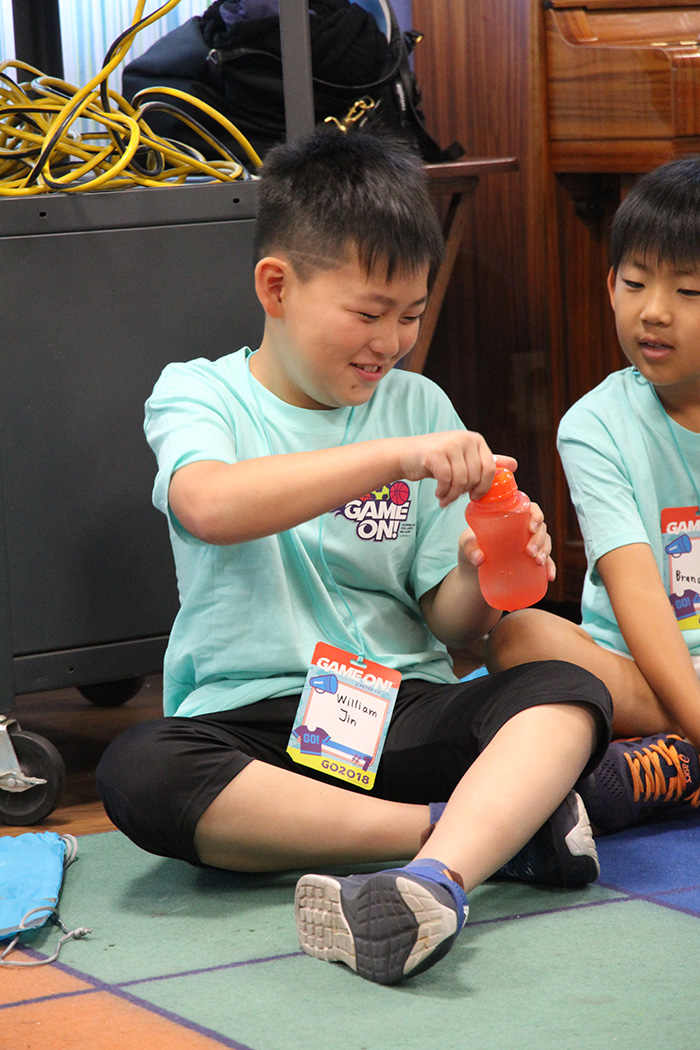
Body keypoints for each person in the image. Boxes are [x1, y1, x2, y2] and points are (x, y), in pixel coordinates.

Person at [96, 125, 612, 987]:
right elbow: (210, 505)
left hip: (399, 712)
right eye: (369, 314)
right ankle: (472, 834)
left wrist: (483, 572)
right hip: (256, 723)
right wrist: (393, 458)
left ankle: (436, 880)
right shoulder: (199, 391)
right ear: (277, 287)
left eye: (411, 315)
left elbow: (451, 624)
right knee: (139, 770)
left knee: (565, 688)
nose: (392, 341)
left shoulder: (419, 403)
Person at [486, 156, 700, 836]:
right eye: (635, 283)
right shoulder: (595, 425)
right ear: (611, 286)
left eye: (689, 290)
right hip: (640, 669)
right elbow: (637, 594)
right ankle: (685, 744)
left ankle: (668, 766)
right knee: (518, 636)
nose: (653, 311)